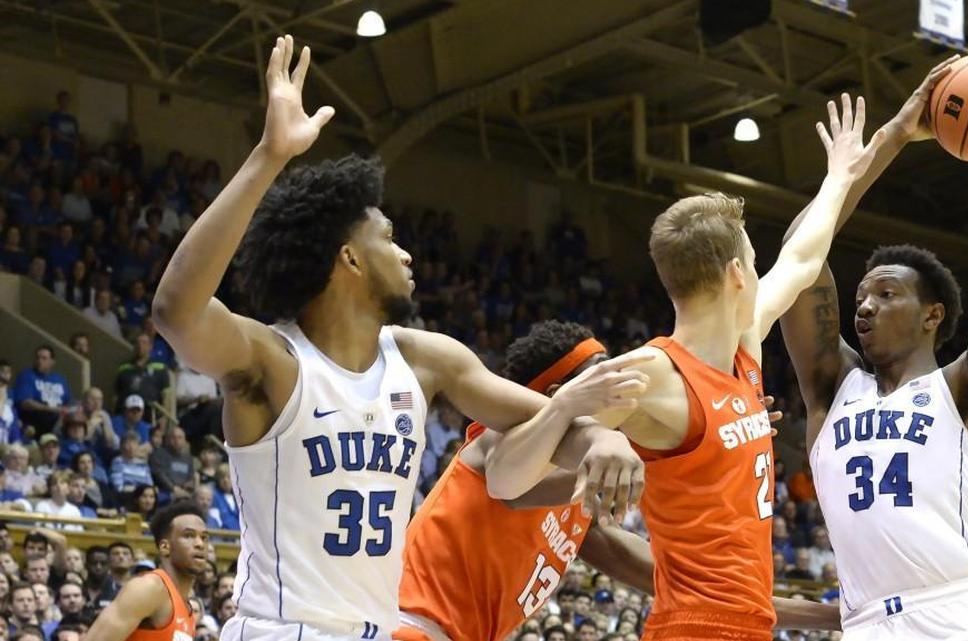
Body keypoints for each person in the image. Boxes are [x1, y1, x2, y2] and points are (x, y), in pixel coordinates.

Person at [151, 35, 644, 641]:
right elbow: (176, 311)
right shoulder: (272, 363)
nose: (406, 252)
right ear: (350, 259)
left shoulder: (426, 358)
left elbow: (547, 422)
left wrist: (599, 438)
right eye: (388, 237)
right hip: (282, 629)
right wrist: (269, 157)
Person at [488, 95, 880, 640]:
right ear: (738, 274)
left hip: (748, 625)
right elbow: (505, 480)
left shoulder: (743, 347)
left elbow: (804, 259)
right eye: (754, 261)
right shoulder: (650, 374)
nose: (763, 272)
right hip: (693, 626)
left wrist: (841, 175)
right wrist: (567, 407)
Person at [778, 59, 968, 640]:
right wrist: (893, 135)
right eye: (861, 295)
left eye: (886, 293)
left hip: (956, 612)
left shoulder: (965, 387)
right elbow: (800, 254)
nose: (864, 306)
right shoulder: (831, 386)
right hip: (865, 622)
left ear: (932, 316)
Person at [396, 321, 839, 641]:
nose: (630, 383)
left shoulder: (582, 507)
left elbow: (696, 588)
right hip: (408, 624)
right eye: (608, 374)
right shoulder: (497, 442)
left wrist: (832, 617)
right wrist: (719, 434)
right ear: (558, 395)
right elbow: (507, 482)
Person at [85, 502, 208, 641]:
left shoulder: (188, 610)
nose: (200, 544)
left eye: (204, 537)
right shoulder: (149, 587)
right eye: (189, 535)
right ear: (164, 547)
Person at [12, 347, 71, 436]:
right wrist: (51, 409)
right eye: (37, 358)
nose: (40, 361)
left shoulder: (59, 379)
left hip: (58, 423)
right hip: (34, 423)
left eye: (44, 358)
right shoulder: (27, 375)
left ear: (52, 362)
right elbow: (25, 403)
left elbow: (69, 402)